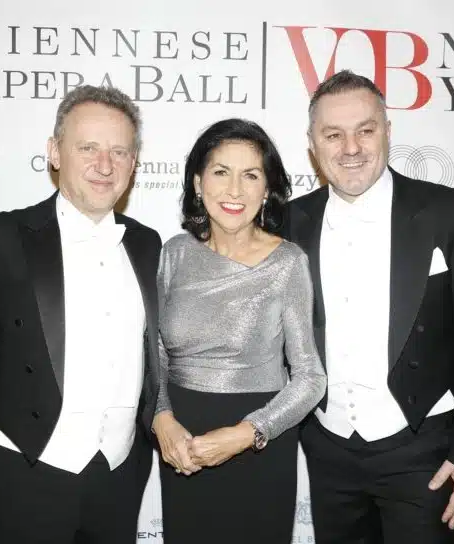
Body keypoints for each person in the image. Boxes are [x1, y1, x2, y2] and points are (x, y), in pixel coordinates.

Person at [0, 85, 162, 544]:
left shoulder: (147, 244)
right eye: (88, 147)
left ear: (133, 165)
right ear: (55, 153)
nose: (104, 164)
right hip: (22, 473)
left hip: (117, 476)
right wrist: (7, 425)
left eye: (119, 151)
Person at [284, 70, 454, 543]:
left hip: (428, 452)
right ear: (312, 143)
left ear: (388, 130)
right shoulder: (290, 221)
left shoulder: (450, 211)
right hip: (330, 453)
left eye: (365, 130)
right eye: (333, 134)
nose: (351, 148)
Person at [151, 118, 327, 543]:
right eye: (220, 172)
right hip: (183, 442)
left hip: (259, 442)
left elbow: (310, 377)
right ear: (198, 182)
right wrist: (161, 419)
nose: (235, 191)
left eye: (250, 175)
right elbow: (155, 350)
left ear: (266, 189)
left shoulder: (287, 263)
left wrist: (247, 433)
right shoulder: (173, 253)